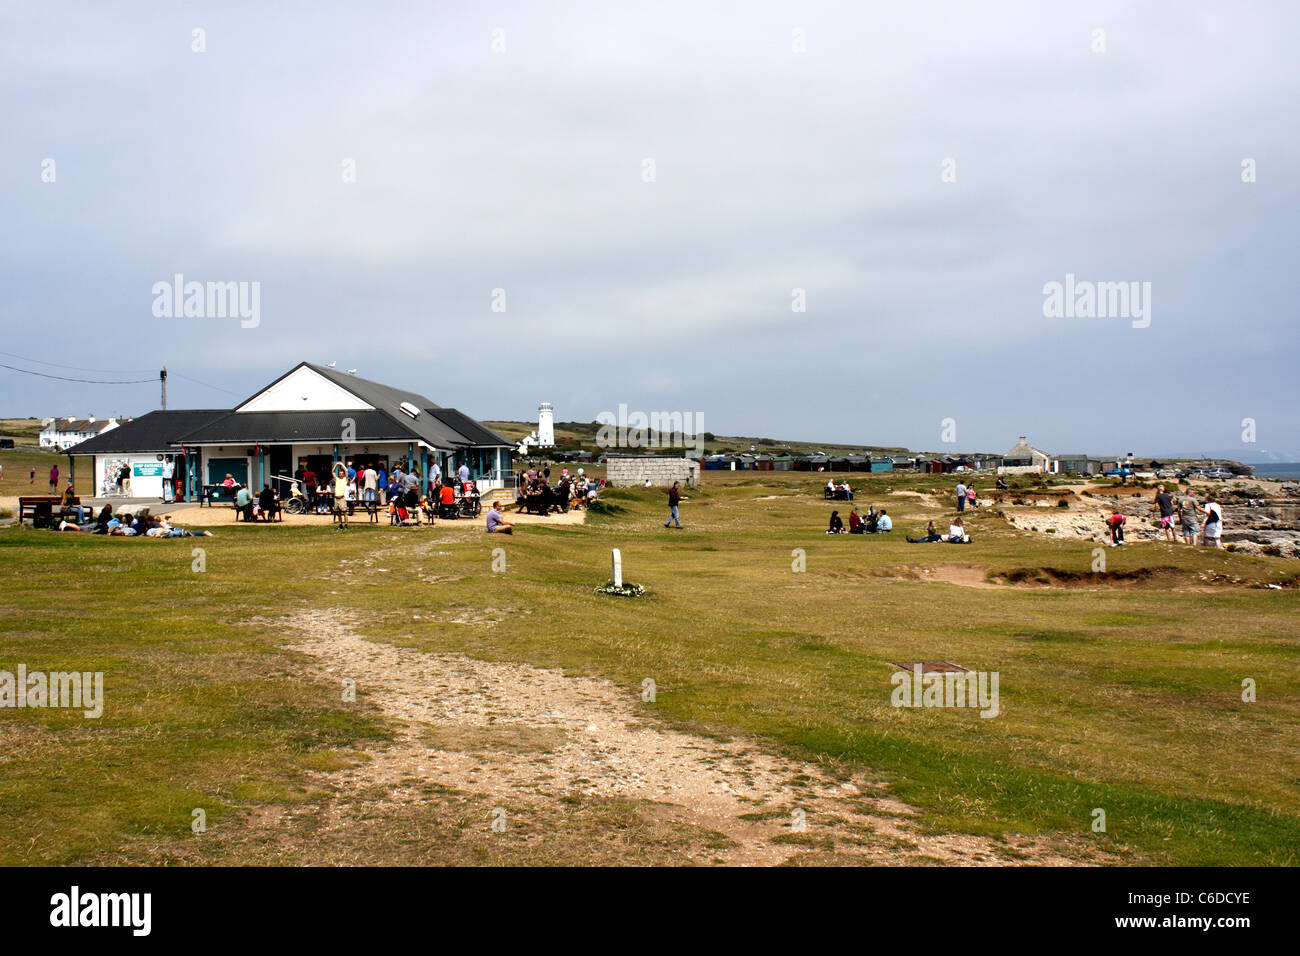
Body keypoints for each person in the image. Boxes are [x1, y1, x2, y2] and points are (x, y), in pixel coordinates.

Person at [332, 462, 349, 529]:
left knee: (344, 511)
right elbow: (332, 472)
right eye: (340, 474)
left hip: (342, 498)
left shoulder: (345, 479)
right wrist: (336, 465)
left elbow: (346, 470)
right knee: (337, 512)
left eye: (342, 474)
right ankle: (340, 524)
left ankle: (346, 525)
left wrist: (342, 465)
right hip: (336, 498)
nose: (341, 475)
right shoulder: (337, 479)